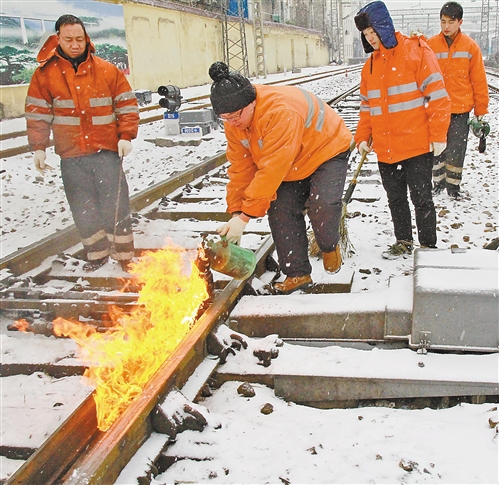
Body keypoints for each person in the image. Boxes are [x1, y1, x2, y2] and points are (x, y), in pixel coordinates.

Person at [208, 61, 353, 294]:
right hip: (291, 162)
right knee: (279, 210)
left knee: (322, 203)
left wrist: (245, 217)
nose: (232, 122)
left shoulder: (279, 111)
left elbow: (272, 168)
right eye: (225, 118)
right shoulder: (235, 123)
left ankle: (328, 245)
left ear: (251, 102)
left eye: (235, 116)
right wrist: (236, 211)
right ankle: (297, 275)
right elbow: (241, 168)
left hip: (325, 150)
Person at [25, 14, 139, 271]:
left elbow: (127, 105)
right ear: (58, 40)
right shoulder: (45, 75)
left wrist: (126, 136)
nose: (75, 44)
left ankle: (124, 256)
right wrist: (39, 147)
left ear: (86, 38)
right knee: (83, 208)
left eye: (79, 39)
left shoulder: (107, 70)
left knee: (116, 205)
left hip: (106, 152)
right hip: (71, 154)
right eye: (69, 39)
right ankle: (97, 254)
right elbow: (37, 114)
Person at [354, 1, 451, 260]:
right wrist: (362, 137)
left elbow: (438, 96)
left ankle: (428, 246)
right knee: (395, 199)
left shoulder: (416, 52)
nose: (370, 38)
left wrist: (439, 134)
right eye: (365, 35)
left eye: (372, 31)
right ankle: (404, 241)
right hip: (386, 149)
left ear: (383, 26)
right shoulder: (370, 66)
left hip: (416, 145)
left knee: (422, 198)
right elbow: (366, 107)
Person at [427, 1, 489, 199]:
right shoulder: (430, 45)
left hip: (460, 108)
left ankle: (453, 187)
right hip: (436, 108)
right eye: (443, 21)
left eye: (451, 22)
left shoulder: (470, 47)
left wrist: (481, 110)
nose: (446, 26)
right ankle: (437, 184)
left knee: (456, 149)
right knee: (437, 147)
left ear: (460, 22)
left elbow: (478, 80)